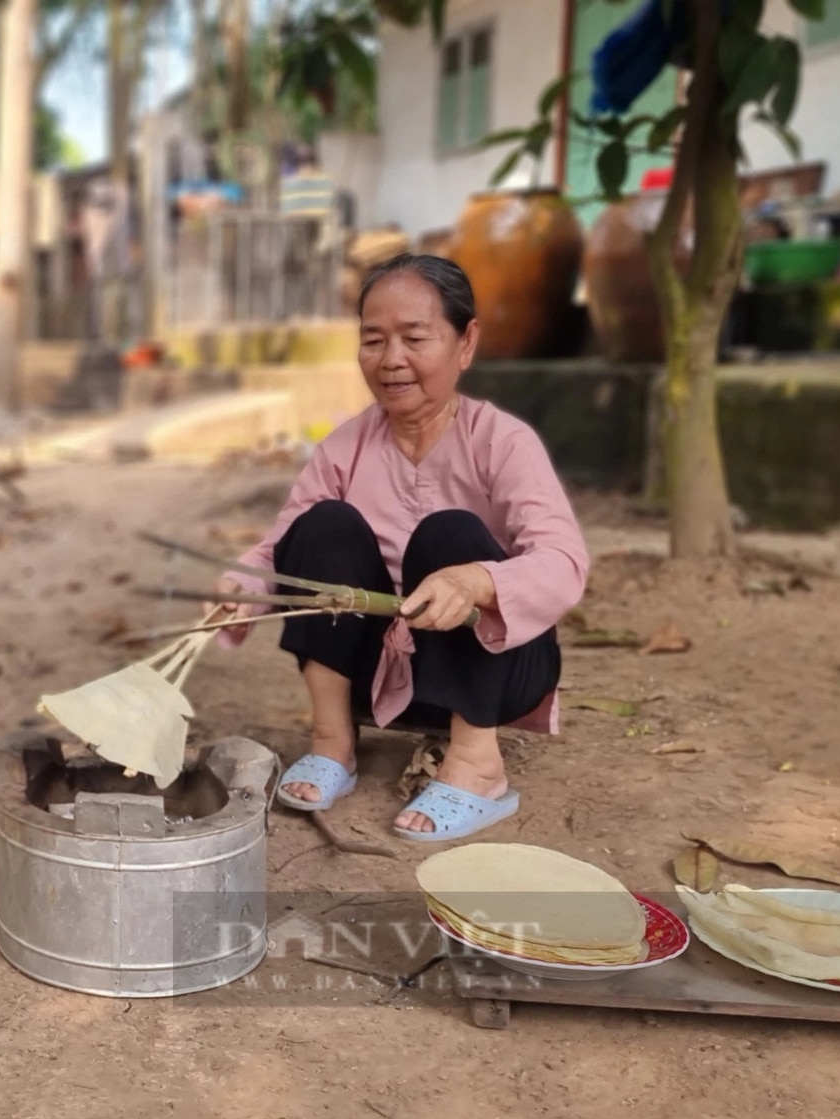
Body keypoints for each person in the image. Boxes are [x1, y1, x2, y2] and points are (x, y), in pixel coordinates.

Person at [209, 254, 588, 842]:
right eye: (373, 340)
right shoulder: (344, 447)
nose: (391, 360)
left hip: (495, 678)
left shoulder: (504, 442)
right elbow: (279, 548)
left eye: (415, 338)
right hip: (378, 677)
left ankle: (476, 765)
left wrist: (477, 582)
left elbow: (563, 561)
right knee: (320, 524)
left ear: (466, 343)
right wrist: (244, 589)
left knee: (450, 535)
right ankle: (333, 743)